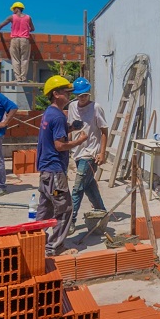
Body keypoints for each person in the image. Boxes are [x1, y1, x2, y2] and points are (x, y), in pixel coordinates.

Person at [37, 76, 87, 255]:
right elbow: (59, 146)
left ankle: (36, 240)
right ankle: (55, 247)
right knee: (65, 207)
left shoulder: (49, 113)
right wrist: (79, 141)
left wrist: (71, 128)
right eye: (66, 92)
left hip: (46, 172)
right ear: (56, 94)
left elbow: (54, 133)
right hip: (55, 173)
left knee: (46, 207)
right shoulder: (58, 116)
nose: (69, 95)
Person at [66, 77, 108, 235]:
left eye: (84, 95)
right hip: (77, 153)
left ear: (88, 94)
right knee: (89, 187)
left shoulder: (96, 108)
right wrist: (68, 149)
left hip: (90, 154)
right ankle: (102, 214)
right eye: (79, 95)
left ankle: (71, 221)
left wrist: (102, 152)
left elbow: (104, 131)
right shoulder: (72, 107)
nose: (82, 98)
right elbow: (70, 129)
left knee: (77, 189)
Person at [0, 2, 35, 83]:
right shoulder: (28, 17)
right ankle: (23, 78)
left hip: (15, 39)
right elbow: (33, 29)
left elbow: (0, 26)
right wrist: (25, 30)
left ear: (17, 8)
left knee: (15, 59)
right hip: (24, 39)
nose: (13, 11)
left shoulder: (12, 17)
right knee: (24, 59)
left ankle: (18, 78)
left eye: (13, 9)